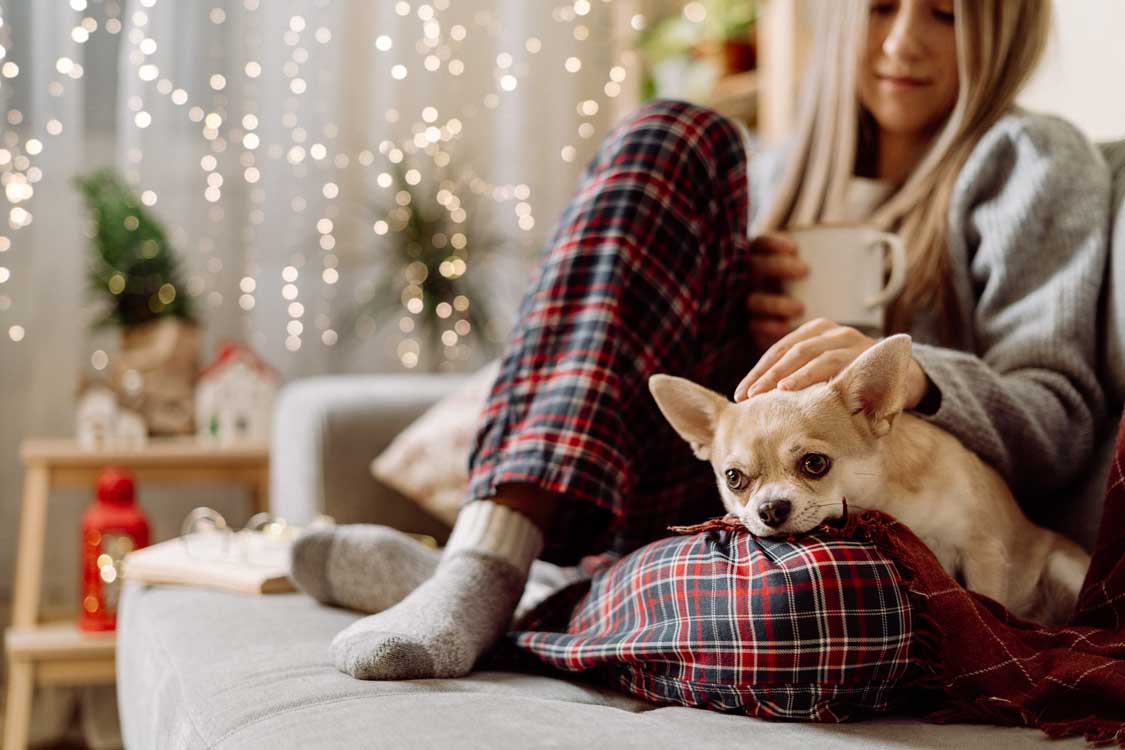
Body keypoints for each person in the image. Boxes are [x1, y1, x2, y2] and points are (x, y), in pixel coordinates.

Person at [294, 0, 1112, 684]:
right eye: (878, 7)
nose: (903, 42)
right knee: (675, 132)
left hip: (870, 530)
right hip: (721, 492)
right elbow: (619, 343)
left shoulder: (1030, 161)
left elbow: (1060, 424)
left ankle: (531, 592)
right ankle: (488, 558)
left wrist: (914, 376)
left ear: (1002, 30)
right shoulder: (772, 170)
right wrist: (729, 303)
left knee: (826, 604)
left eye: (944, 14)